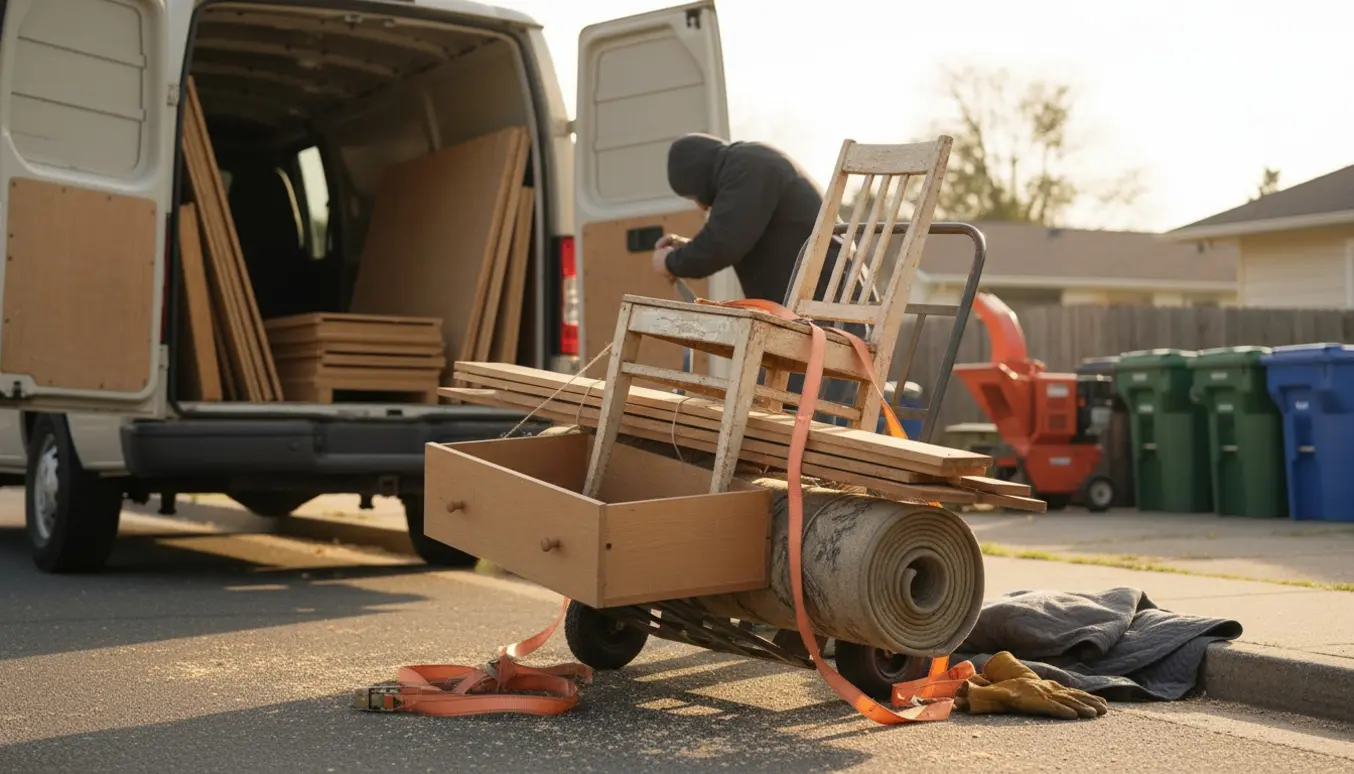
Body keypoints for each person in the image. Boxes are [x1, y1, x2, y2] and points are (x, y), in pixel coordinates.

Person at [650, 133, 874, 422]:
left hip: (826, 309)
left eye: (694, 196)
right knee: (781, 411)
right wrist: (687, 248)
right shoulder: (749, 166)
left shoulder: (747, 167)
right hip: (816, 307)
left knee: (797, 415)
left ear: (698, 175)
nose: (702, 206)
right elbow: (736, 234)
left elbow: (723, 244)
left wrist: (671, 262)